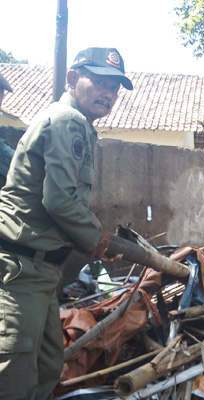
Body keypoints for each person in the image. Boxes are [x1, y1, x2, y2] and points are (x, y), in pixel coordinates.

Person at [0, 47, 132, 400]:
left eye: (115, 87)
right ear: (73, 79)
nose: (109, 93)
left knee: (45, 368)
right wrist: (97, 239)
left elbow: (65, 201)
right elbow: (59, 201)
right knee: (13, 378)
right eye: (100, 82)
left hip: (41, 272)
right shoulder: (67, 121)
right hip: (19, 271)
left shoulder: (81, 126)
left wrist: (95, 240)